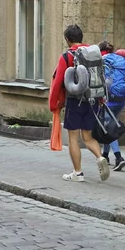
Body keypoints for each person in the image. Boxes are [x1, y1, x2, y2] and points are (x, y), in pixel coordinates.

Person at [49, 25, 110, 182]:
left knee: (73, 138)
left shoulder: (67, 56)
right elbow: (100, 78)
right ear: (81, 37)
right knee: (88, 137)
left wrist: (53, 104)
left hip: (75, 101)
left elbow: (57, 83)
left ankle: (77, 173)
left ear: (67, 39)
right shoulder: (93, 54)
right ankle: (100, 157)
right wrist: (101, 99)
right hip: (93, 100)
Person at [99, 40, 125, 171]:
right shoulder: (120, 60)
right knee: (108, 125)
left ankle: (119, 158)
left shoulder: (102, 60)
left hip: (109, 100)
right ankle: (105, 155)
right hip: (122, 99)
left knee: (109, 127)